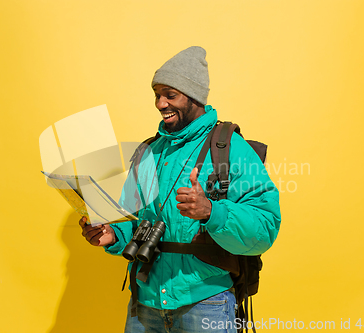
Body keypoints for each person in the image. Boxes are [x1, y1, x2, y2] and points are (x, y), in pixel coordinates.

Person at [79, 46, 281, 333]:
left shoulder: (231, 148)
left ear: (194, 96)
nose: (161, 104)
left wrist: (211, 211)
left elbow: (265, 226)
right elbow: (138, 222)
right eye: (157, 95)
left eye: (170, 95)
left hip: (206, 304)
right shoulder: (149, 151)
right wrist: (113, 235)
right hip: (145, 305)